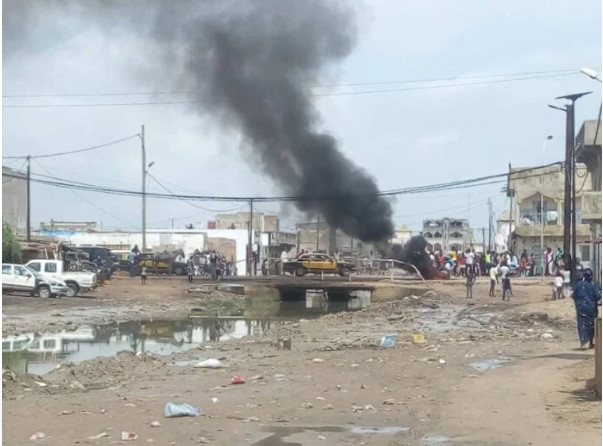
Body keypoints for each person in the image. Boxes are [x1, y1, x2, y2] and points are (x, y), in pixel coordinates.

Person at [571, 268, 602, 349]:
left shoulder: (578, 285)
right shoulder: (594, 285)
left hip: (581, 308)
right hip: (591, 308)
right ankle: (591, 343)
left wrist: (578, 303)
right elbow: (598, 296)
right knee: (592, 325)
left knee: (582, 324)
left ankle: (583, 343)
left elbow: (573, 296)